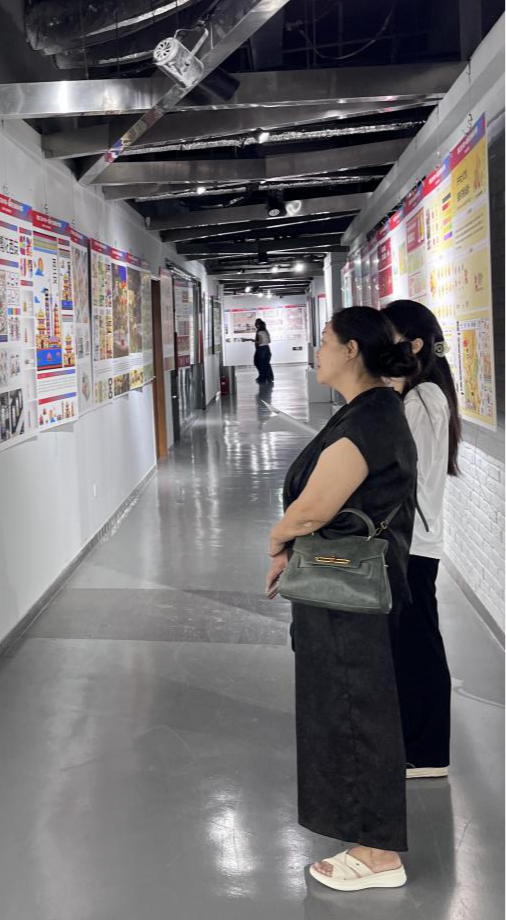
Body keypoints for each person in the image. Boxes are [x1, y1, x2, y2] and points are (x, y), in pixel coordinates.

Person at [265, 307, 419, 891]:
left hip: (348, 592)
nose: (317, 351)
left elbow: (314, 509)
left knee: (356, 710)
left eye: (324, 340)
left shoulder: (372, 418)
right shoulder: (369, 409)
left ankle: (378, 855)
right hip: (345, 584)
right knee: (349, 706)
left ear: (352, 350)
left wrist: (277, 539)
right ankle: (369, 840)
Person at [383, 299, 461, 779]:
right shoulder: (418, 395)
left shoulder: (423, 400)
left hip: (413, 543)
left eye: (388, 337)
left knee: (420, 646)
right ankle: (416, 742)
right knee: (411, 642)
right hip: (410, 540)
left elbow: (402, 471)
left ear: (413, 345)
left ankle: (428, 752)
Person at [253, 318, 274, 383]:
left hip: (261, 349)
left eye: (257, 324)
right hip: (267, 348)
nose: (256, 325)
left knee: (261, 364)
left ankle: (262, 378)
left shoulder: (259, 332)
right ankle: (269, 377)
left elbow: (260, 342)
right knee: (266, 364)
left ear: (259, 325)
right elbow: (269, 341)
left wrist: (253, 341)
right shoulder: (265, 331)